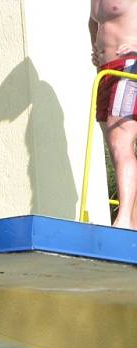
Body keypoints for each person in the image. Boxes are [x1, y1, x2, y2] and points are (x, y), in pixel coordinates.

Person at [90, 0, 137, 229]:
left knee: (121, 141)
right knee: (116, 148)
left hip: (130, 66)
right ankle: (133, 222)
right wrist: (95, 49)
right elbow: (93, 22)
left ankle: (125, 220)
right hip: (106, 71)